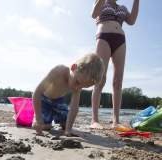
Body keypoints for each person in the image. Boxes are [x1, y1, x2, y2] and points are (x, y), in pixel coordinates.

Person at [91, 0, 140, 129]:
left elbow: (132, 21)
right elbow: (94, 14)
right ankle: (94, 120)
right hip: (103, 37)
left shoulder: (122, 8)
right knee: (100, 78)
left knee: (118, 80)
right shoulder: (101, 2)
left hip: (120, 40)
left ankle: (115, 120)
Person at [33, 53, 105, 136]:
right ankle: (36, 120)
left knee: (66, 123)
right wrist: (38, 119)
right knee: (45, 126)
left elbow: (74, 108)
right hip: (44, 100)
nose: (78, 88)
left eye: (83, 87)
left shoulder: (78, 85)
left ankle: (60, 122)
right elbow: (37, 92)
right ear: (74, 67)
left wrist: (68, 129)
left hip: (59, 102)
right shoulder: (58, 71)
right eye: (77, 82)